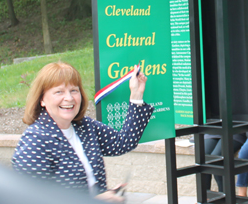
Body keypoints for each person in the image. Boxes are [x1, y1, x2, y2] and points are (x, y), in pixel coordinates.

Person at [12, 61, 154, 203]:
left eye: (74, 90)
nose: (69, 98)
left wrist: (136, 94)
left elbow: (122, 142)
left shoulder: (85, 127)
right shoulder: (35, 141)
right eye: (59, 92)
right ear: (42, 99)